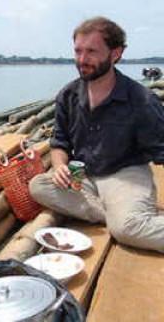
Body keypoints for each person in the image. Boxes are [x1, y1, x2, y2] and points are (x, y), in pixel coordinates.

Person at [29, 16, 164, 253]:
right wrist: (60, 166)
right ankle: (115, 215)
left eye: (91, 51)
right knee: (38, 185)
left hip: (125, 174)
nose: (82, 59)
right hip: (84, 176)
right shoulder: (68, 95)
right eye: (78, 51)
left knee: (127, 231)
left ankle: (123, 219)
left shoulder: (142, 101)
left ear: (115, 53)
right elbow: (59, 143)